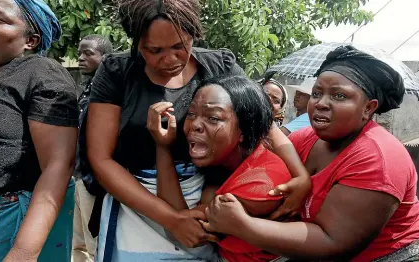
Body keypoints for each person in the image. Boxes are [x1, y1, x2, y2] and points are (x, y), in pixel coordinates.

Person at [85, 0, 310, 260]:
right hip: (137, 203)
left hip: (209, 197)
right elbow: (101, 159)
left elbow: (260, 119)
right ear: (136, 42)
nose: (169, 59)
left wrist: (300, 176)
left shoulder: (218, 66)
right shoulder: (117, 73)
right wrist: (172, 219)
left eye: (180, 46)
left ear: (193, 33)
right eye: (154, 50)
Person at [202, 46, 419, 261]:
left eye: (339, 95)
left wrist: (243, 225)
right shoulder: (304, 139)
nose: (321, 103)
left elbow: (332, 242)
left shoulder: (378, 158)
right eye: (316, 93)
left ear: (368, 108)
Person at [147, 75, 293, 261]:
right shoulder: (232, 161)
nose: (195, 125)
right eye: (191, 114)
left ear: (244, 130)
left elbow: (181, 229)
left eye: (213, 118)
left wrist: (162, 148)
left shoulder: (262, 185)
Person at [0, 0, 78, 261]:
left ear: (31, 41)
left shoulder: (39, 73)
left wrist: (24, 252)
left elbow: (59, 165)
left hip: (3, 223)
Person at [72, 34, 113, 262]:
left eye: (88, 53)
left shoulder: (109, 93)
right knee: (76, 243)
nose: (81, 58)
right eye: (80, 53)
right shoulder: (86, 89)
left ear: (105, 57)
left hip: (93, 180)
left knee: (95, 242)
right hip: (77, 175)